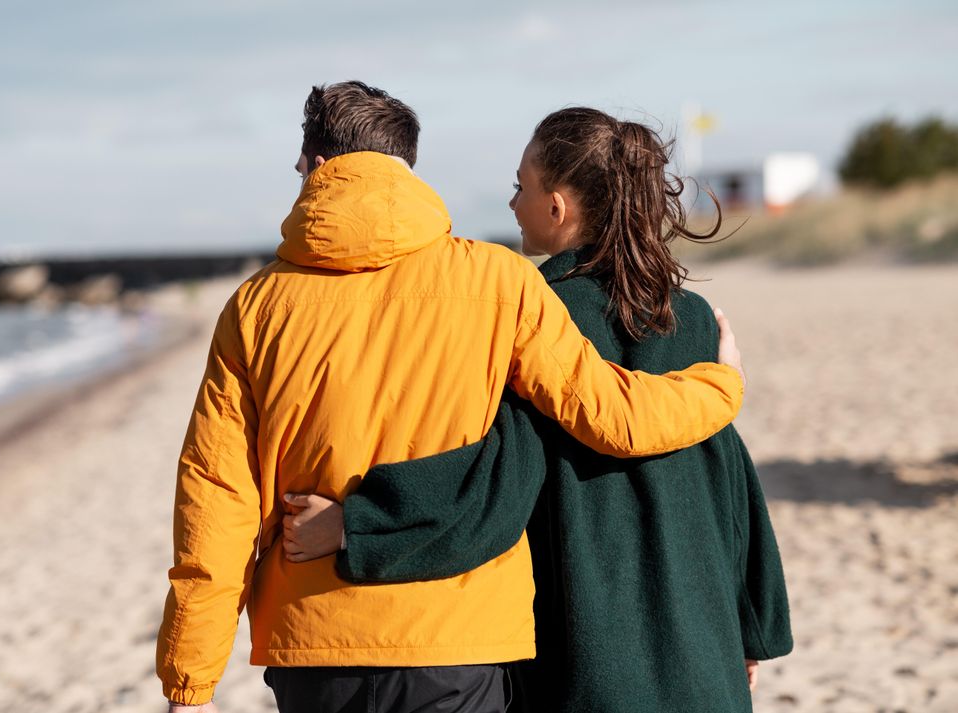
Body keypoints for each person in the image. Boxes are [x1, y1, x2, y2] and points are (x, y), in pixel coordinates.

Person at [156, 84, 747, 713]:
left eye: (300, 168)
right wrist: (720, 383)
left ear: (319, 168)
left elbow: (216, 499)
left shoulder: (254, 306)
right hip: (459, 641)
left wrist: (191, 683)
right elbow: (615, 417)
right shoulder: (500, 280)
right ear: (404, 168)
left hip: (314, 643)